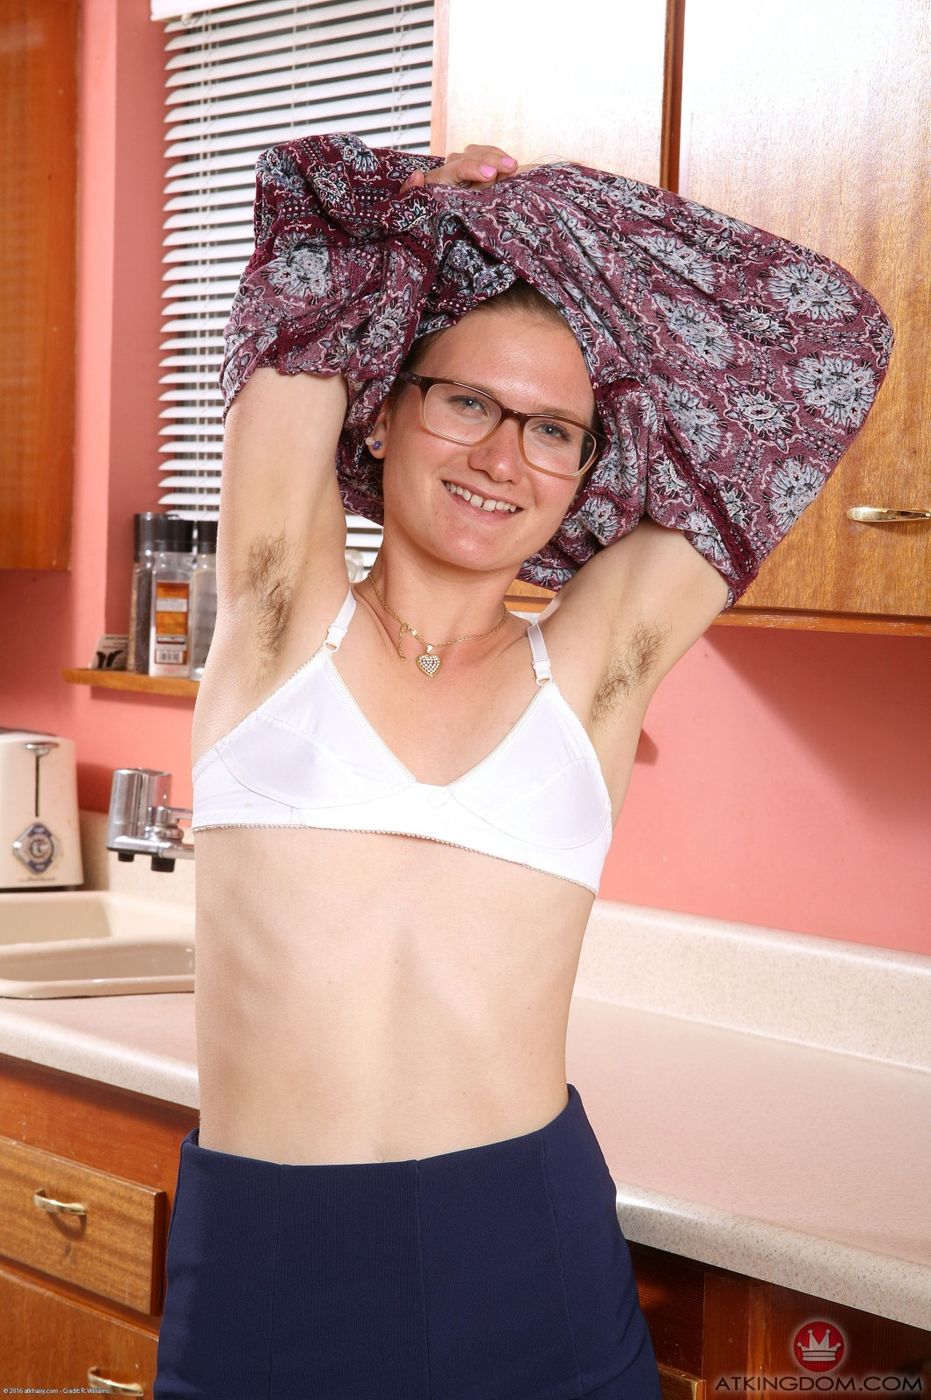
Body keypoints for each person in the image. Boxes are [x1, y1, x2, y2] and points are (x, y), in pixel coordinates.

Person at [153, 141, 891, 1399]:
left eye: (554, 430)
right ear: (382, 410)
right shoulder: (279, 621)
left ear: (588, 473)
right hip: (271, 1270)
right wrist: (429, 206)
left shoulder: (595, 670)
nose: (504, 457)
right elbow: (306, 234)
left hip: (527, 1256)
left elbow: (829, 341)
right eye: (466, 402)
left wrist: (561, 210)